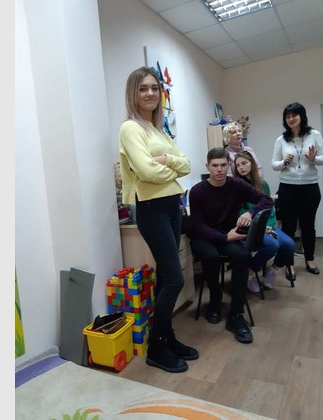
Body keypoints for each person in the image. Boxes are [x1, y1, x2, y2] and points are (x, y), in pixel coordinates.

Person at [118, 66, 197, 373]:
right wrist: (170, 170)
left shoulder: (157, 130)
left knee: (165, 276)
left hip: (172, 205)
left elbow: (187, 164)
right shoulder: (130, 129)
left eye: (154, 87)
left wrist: (167, 160)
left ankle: (167, 338)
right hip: (152, 208)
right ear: (133, 93)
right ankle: (155, 347)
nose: (150, 93)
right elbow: (146, 171)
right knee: (176, 278)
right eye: (143, 88)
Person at [189, 147, 274, 344]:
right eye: (215, 166)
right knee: (210, 257)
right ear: (207, 166)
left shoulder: (236, 184)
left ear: (228, 165)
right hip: (205, 237)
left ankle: (236, 314)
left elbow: (266, 200)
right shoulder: (197, 191)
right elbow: (197, 226)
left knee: (242, 256)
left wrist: (250, 213)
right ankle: (215, 300)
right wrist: (224, 237)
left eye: (223, 165)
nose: (219, 170)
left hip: (229, 234)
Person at [271, 102, 323, 280]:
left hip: (310, 187)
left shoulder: (314, 135)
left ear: (302, 116)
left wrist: (313, 158)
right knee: (288, 227)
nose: (291, 119)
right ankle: (289, 263)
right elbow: (274, 165)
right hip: (287, 188)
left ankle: (310, 259)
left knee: (308, 226)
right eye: (287, 116)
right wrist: (284, 163)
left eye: (294, 115)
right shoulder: (281, 140)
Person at [232, 151, 295, 291]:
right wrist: (260, 227)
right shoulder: (236, 186)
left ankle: (272, 270)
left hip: (267, 226)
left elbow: (269, 209)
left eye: (244, 163)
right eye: (238, 165)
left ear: (252, 164)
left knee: (289, 245)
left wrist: (268, 227)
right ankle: (249, 272)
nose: (241, 167)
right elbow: (239, 213)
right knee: (272, 245)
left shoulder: (263, 184)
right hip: (250, 227)